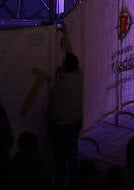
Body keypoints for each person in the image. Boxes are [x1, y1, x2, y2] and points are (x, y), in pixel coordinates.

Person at [46, 50, 84, 190]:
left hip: (60, 126)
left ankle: (60, 181)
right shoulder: (79, 77)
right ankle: (74, 180)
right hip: (75, 122)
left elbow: (52, 107)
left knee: (60, 157)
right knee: (72, 153)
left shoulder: (58, 86)